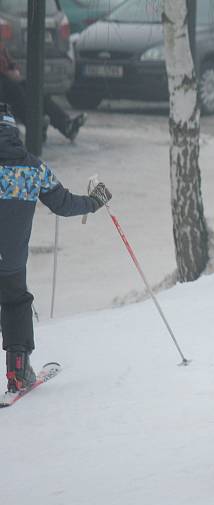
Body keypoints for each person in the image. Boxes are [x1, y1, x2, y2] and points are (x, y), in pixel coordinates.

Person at [0, 103, 110, 393]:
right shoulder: (32, 168)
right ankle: (18, 371)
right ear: (14, 131)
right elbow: (63, 204)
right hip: (10, 260)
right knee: (15, 304)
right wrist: (95, 201)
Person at [0, 40, 86, 142]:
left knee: (33, 89)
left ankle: (65, 125)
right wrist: (9, 74)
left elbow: (9, 61)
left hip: (7, 78)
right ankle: (36, 126)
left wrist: (14, 71)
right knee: (14, 90)